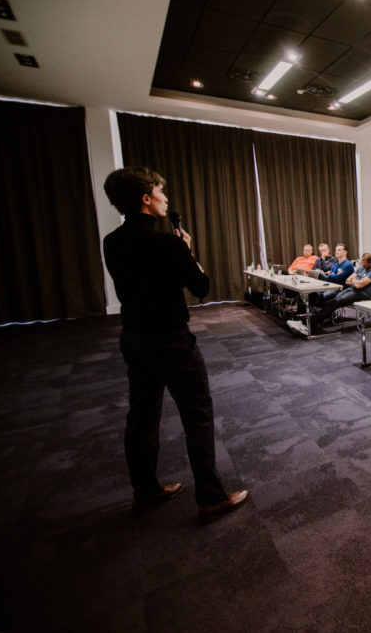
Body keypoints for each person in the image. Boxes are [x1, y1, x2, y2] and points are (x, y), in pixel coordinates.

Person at [101, 167, 248, 518]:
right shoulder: (166, 242)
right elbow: (200, 287)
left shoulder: (112, 241)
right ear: (145, 199)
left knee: (141, 417)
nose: (165, 198)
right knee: (197, 415)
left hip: (134, 338)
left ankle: (146, 490)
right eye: (160, 192)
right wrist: (186, 252)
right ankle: (212, 497)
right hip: (170, 340)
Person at [305, 252, 371, 333]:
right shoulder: (361, 267)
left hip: (363, 294)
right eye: (362, 262)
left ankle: (313, 322)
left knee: (336, 302)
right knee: (333, 301)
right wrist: (357, 281)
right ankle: (317, 321)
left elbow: (360, 286)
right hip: (352, 289)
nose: (363, 265)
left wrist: (355, 281)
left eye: (365, 263)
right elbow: (348, 280)